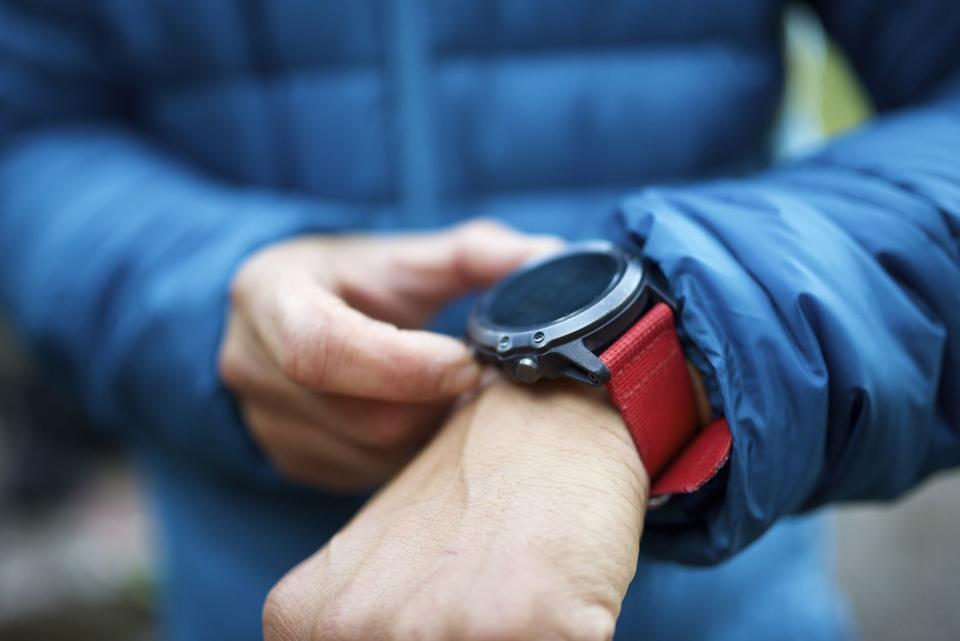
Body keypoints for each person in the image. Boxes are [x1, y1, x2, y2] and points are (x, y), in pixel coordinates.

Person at [0, 1, 957, 639]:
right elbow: (29, 124)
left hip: (718, 593)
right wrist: (203, 292)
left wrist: (659, 365)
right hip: (254, 593)